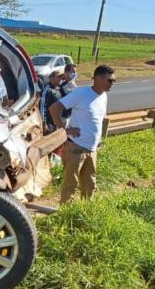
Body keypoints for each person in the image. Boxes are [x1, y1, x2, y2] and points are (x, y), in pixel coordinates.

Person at [49, 64, 116, 203]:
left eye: (113, 81)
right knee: (70, 185)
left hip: (92, 149)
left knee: (90, 184)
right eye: (110, 80)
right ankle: (67, 215)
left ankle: (85, 213)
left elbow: (98, 120)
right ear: (98, 78)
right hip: (76, 147)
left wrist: (98, 140)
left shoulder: (103, 96)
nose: (112, 83)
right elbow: (54, 109)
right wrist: (64, 131)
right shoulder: (81, 93)